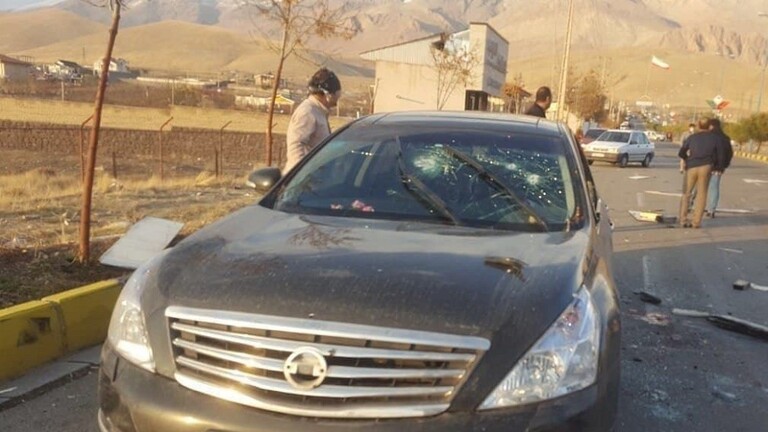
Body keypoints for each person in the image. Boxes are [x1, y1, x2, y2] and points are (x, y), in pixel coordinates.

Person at [283, 67, 342, 173]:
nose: (336, 102)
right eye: (335, 96)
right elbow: (296, 147)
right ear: (328, 94)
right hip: (304, 179)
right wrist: (302, 175)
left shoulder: (319, 112)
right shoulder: (307, 112)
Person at [678, 118, 724, 228]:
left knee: (686, 193)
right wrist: (718, 167)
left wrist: (687, 160)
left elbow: (681, 152)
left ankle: (683, 219)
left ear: (698, 126)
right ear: (710, 127)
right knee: (701, 194)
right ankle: (696, 222)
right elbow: (720, 154)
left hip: (692, 166)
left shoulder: (692, 137)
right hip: (706, 167)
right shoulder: (715, 139)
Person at [705, 118, 733, 218]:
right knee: (714, 187)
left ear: (711, 126)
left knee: (699, 187)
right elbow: (729, 153)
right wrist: (723, 166)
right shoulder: (725, 138)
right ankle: (711, 210)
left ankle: (690, 205)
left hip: (705, 165)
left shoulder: (708, 136)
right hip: (718, 168)